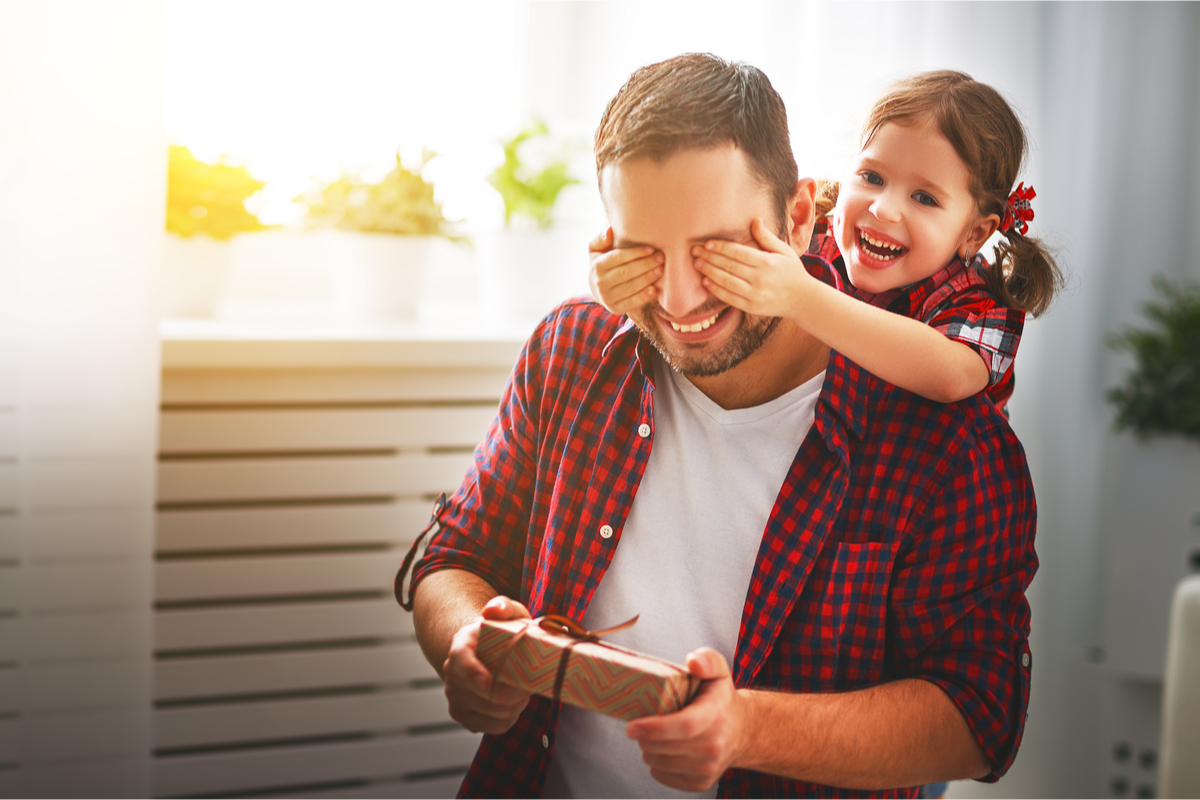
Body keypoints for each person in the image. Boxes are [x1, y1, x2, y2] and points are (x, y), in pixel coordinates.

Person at [404, 53, 1037, 799]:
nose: (676, 299)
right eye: (644, 251)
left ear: (798, 218)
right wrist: (468, 642)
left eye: (715, 252)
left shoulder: (950, 438)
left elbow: (980, 715)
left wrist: (746, 730)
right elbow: (453, 556)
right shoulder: (571, 351)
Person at [590, 70, 1062, 413]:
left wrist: (801, 297)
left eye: (924, 198)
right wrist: (619, 275)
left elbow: (950, 377)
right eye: (872, 176)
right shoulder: (813, 232)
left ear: (975, 232)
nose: (883, 208)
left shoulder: (976, 298)